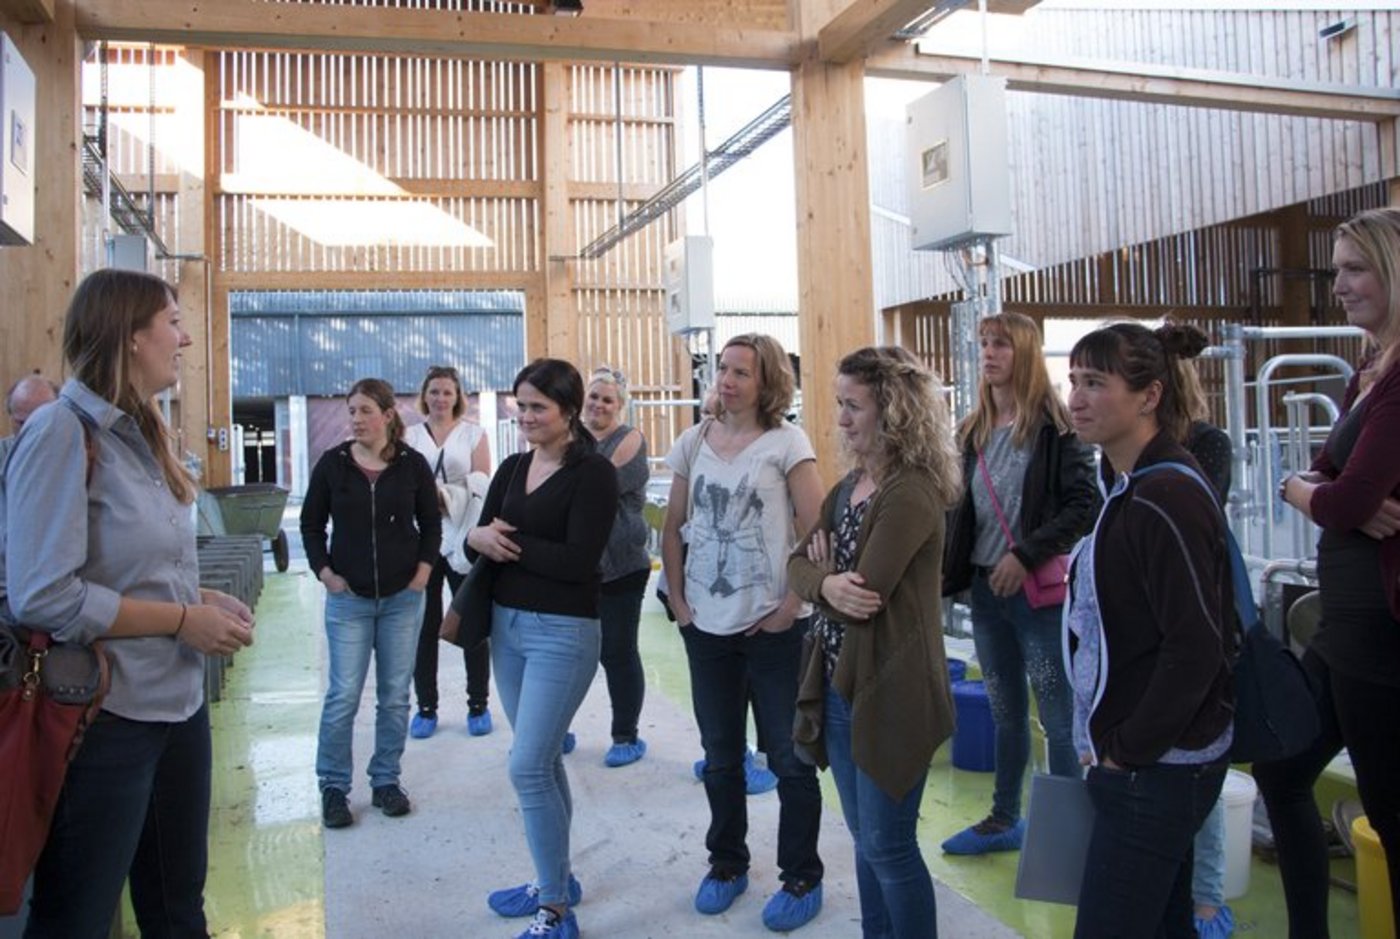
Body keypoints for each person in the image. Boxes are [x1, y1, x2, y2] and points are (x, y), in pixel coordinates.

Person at [2, 268, 255, 937]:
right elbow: (43, 592)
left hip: (176, 707)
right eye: (172, 321)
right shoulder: (60, 432)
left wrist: (197, 598)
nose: (185, 338)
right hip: (104, 719)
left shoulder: (145, 433)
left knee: (177, 909)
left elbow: (129, 567)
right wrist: (180, 618)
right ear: (131, 335)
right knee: (75, 917)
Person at [1064, 321, 1236, 938]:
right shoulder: (1129, 484)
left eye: (1096, 383)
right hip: (1148, 760)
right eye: (1074, 381)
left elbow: (1195, 644)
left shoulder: (1165, 495)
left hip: (1158, 766)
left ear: (1150, 396)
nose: (1076, 399)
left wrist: (1125, 750)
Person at [787, 346, 963, 938]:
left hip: (891, 689)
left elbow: (869, 590)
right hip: (840, 684)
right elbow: (797, 567)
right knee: (866, 843)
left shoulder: (910, 492)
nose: (840, 419)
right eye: (839, 404)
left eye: (852, 406)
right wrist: (826, 579)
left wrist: (830, 578)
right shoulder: (849, 489)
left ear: (893, 412)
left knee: (889, 847)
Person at [1260, 206, 1400, 939]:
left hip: (1378, 630)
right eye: (1335, 269)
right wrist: (1312, 492)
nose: (1338, 285)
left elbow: (1347, 493)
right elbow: (1327, 481)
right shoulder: (1371, 364)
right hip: (1343, 626)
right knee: (1282, 772)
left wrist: (1330, 496)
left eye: (1355, 268)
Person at [661, 333, 826, 932]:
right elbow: (673, 526)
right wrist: (679, 603)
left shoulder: (788, 443)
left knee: (789, 759)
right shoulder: (693, 440)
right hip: (707, 629)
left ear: (768, 383)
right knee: (721, 758)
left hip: (776, 632)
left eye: (740, 373)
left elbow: (817, 532)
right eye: (721, 370)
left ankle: (802, 874)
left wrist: (789, 606)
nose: (726, 381)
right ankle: (727, 864)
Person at [939, 311, 1099, 855]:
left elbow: (1085, 504)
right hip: (986, 591)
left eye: (1001, 345)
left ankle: (1067, 835)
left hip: (1036, 594)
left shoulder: (1054, 428)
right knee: (1006, 710)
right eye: (984, 344)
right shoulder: (973, 429)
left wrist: (1025, 555)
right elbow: (961, 510)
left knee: (1056, 716)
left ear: (1025, 352)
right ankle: (1005, 817)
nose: (989, 353)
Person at [469, 358, 618, 939]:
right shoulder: (510, 467)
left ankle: (554, 908)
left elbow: (579, 561)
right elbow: (480, 535)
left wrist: (508, 543)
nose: (526, 416)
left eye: (538, 407)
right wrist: (477, 537)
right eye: (520, 404)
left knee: (527, 765)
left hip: (563, 632)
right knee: (544, 759)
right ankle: (555, 876)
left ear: (569, 411)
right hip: (507, 629)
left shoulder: (593, 474)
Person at [300, 378, 439, 829]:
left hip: (403, 599)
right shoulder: (333, 465)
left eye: (364, 411)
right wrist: (326, 574)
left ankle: (385, 781)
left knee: (396, 696)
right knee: (343, 696)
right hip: (350, 601)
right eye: (351, 411)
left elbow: (431, 525)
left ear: (387, 415)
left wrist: (422, 572)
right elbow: (310, 525)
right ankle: (334, 787)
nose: (355, 419)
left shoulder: (412, 465)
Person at [1170, 349, 1236, 939]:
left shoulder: (1207, 442)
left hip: (1199, 621)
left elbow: (1201, 519)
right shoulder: (1123, 452)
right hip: (1148, 630)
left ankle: (1207, 894)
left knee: (1200, 759)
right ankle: (1178, 889)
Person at [403, 364, 493, 740]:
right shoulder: (407, 435)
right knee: (424, 624)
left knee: (469, 619)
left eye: (447, 392)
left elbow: (483, 481)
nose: (440, 398)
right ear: (424, 395)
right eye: (434, 391)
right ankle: (426, 707)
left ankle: (478, 704)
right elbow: (399, 478)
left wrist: (449, 495)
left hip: (461, 535)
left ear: (458, 397)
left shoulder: (474, 433)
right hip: (420, 537)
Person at [581, 366, 651, 767]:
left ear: (620, 406)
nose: (599, 404)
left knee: (617, 651)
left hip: (622, 564)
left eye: (608, 399)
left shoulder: (631, 439)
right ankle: (557, 730)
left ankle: (626, 735)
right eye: (594, 396)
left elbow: (596, 486)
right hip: (577, 565)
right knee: (570, 652)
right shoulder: (571, 440)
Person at [0, 373, 59, 465]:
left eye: (40, 423)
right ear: (11, 417)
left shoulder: (75, 457)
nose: (30, 433)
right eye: (22, 423)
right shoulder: (2, 455)